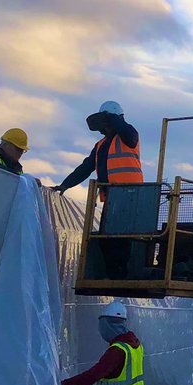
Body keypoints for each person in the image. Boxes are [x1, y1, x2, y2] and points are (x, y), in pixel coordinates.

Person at [54, 101, 143, 277]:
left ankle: (120, 275)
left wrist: (112, 118)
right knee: (106, 238)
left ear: (113, 119)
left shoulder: (128, 134)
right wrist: (65, 184)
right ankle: (113, 274)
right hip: (112, 198)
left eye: (104, 123)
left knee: (121, 239)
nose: (102, 129)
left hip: (130, 195)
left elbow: (127, 133)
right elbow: (85, 168)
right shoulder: (101, 146)